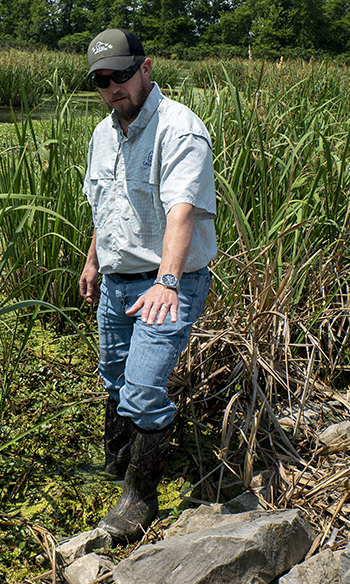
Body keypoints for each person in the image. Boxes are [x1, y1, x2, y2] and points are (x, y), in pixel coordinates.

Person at [78, 28, 217, 543]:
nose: (112, 87)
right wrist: (93, 262)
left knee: (140, 391)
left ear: (145, 68)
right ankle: (117, 463)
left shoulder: (179, 129)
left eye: (120, 75)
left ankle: (140, 496)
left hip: (166, 283)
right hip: (115, 279)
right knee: (113, 379)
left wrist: (167, 281)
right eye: (101, 80)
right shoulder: (101, 134)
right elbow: (106, 204)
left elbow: (181, 210)